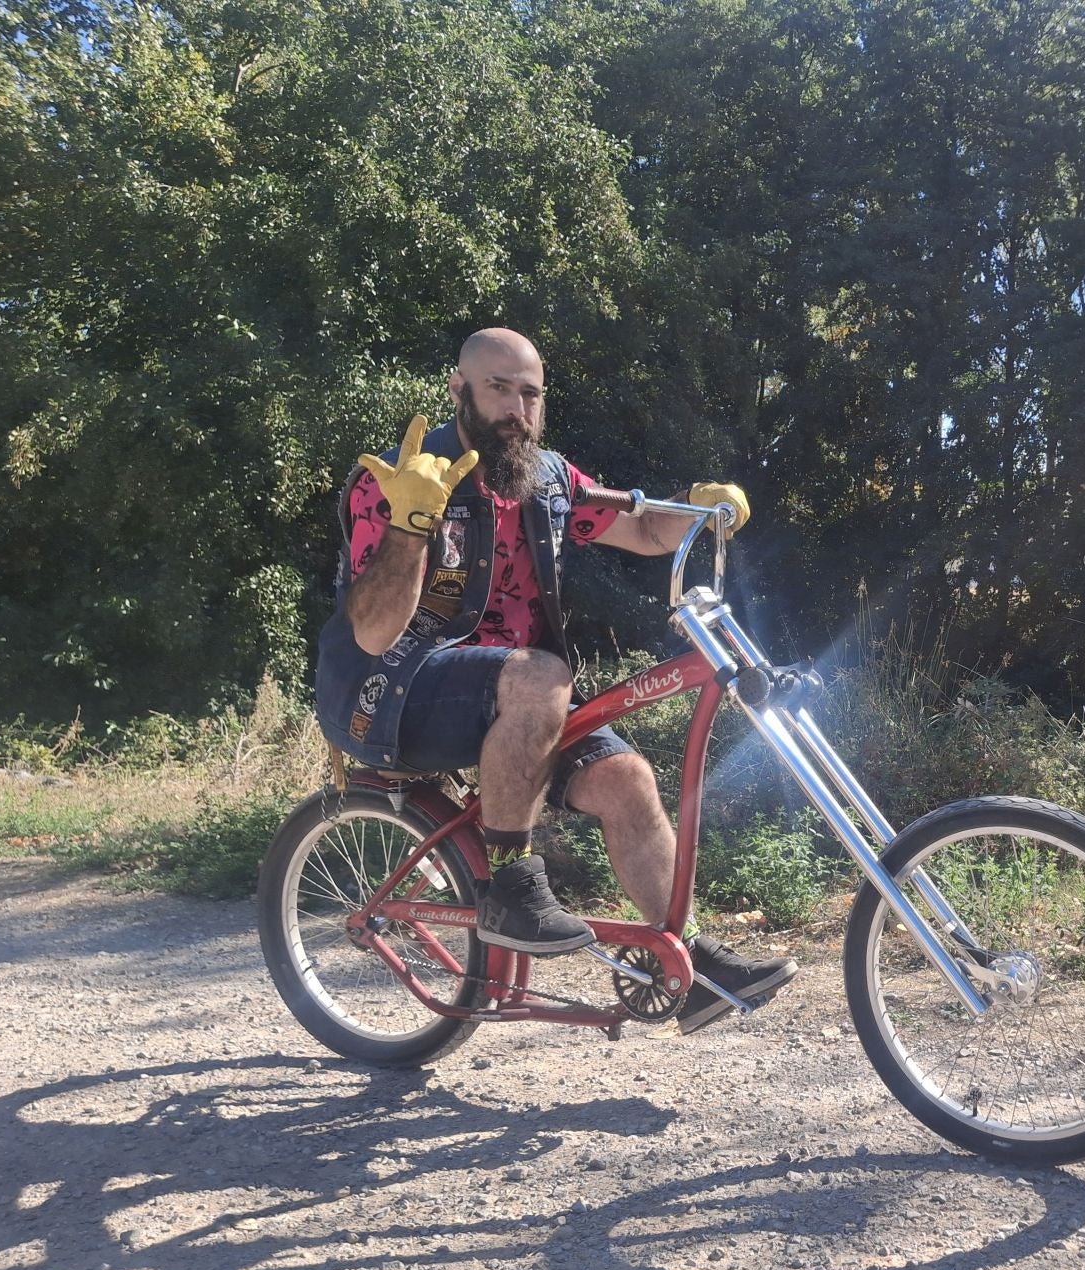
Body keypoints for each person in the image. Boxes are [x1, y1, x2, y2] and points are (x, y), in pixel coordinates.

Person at [313, 328, 796, 1033]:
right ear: (459, 391)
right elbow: (375, 632)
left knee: (626, 778)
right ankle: (511, 886)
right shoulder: (399, 476)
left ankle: (682, 965)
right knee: (542, 674)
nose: (516, 408)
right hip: (394, 692)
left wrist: (700, 506)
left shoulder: (546, 478)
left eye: (529, 393)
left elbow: (643, 529)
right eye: (498, 388)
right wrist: (412, 524)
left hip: (522, 697)